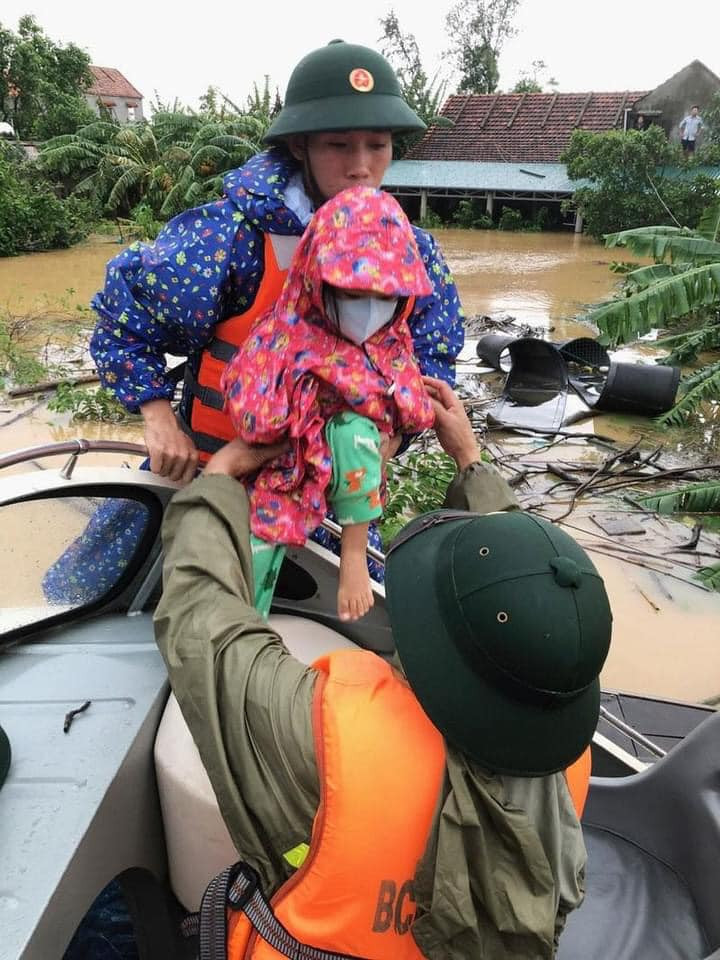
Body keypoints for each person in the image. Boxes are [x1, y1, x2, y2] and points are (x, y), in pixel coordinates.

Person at [154, 377, 613, 959]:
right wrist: (471, 462)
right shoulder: (563, 755)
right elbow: (521, 613)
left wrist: (220, 477)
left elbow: (205, 629)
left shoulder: (325, 735)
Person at [88, 39, 465, 581]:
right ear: (298, 147)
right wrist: (157, 414)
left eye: (377, 145)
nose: (361, 167)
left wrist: (396, 437)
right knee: (120, 598)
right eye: (339, 145)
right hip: (207, 475)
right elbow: (124, 318)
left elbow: (431, 363)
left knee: (360, 634)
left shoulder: (411, 249)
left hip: (328, 500)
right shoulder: (230, 236)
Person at [223, 185, 435, 622]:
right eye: (353, 295)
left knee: (355, 431)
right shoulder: (285, 333)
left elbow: (414, 410)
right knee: (245, 590)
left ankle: (354, 554)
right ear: (318, 281)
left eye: (385, 297)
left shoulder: (391, 344)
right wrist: (309, 423)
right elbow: (253, 417)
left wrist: (370, 426)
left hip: (349, 487)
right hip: (272, 481)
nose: (370, 311)